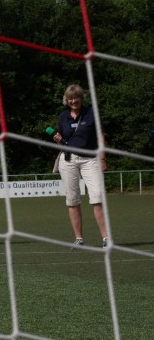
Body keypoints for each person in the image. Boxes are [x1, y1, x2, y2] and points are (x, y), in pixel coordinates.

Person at [52, 84, 109, 248]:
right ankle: (79, 239)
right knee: (72, 199)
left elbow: (101, 136)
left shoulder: (92, 113)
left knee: (97, 196)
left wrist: (103, 158)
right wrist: (58, 138)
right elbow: (64, 138)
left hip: (90, 159)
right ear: (66, 100)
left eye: (76, 97)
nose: (73, 100)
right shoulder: (63, 116)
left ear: (81, 98)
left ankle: (106, 238)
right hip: (68, 160)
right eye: (70, 98)